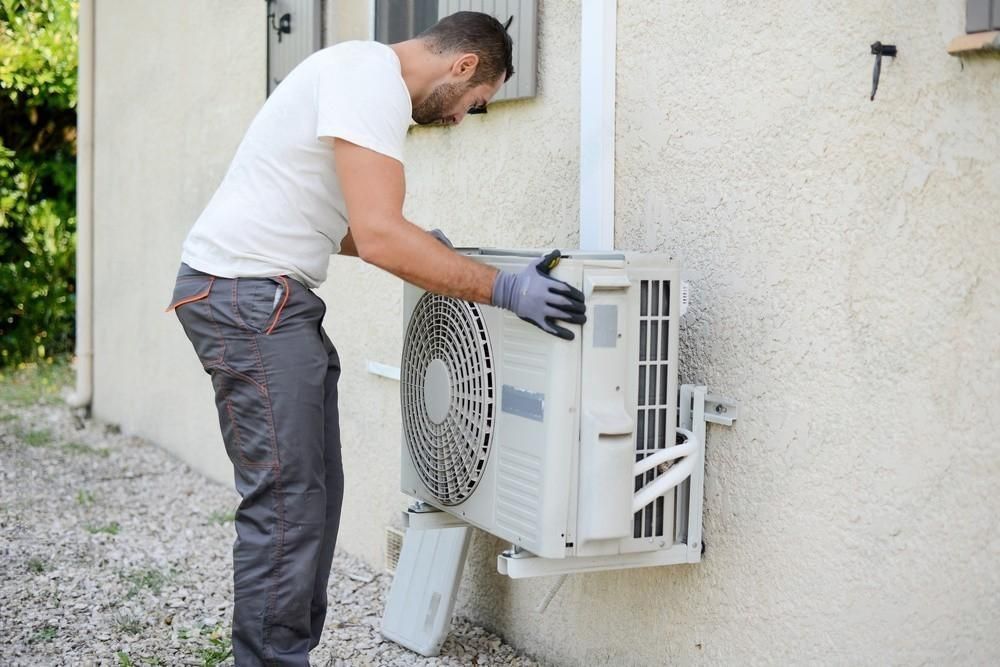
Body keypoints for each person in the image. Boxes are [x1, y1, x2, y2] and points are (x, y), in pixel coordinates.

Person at [166, 11, 586, 666]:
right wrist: (504, 288)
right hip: (251, 300)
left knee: (314, 493)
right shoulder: (371, 81)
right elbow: (384, 234)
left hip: (258, 297)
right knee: (288, 504)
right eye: (474, 106)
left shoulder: (354, 74)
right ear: (463, 65)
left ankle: (283, 653)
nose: (458, 120)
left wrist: (428, 253)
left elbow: (338, 226)